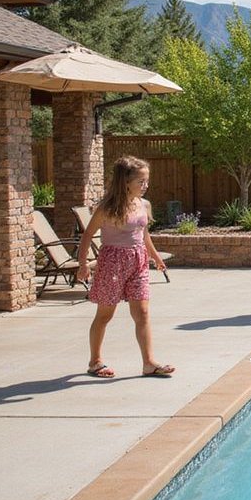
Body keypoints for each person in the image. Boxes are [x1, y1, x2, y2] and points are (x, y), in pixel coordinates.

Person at [76, 155, 174, 378]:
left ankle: (149, 363)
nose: (145, 185)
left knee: (143, 312)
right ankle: (95, 361)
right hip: (112, 263)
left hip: (138, 262)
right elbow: (87, 236)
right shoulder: (107, 208)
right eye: (141, 181)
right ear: (125, 182)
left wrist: (155, 257)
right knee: (105, 315)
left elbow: (144, 234)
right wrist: (83, 265)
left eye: (147, 181)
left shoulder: (143, 204)